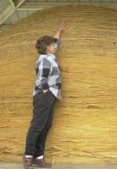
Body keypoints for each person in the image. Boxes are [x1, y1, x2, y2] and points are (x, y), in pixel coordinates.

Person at [23, 21, 68, 169]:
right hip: (45, 95)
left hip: (52, 94)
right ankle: (28, 156)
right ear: (47, 48)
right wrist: (44, 89)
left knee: (46, 125)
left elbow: (56, 42)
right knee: (37, 125)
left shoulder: (50, 56)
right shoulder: (44, 59)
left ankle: (39, 156)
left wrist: (59, 31)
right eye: (52, 45)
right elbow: (42, 76)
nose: (55, 46)